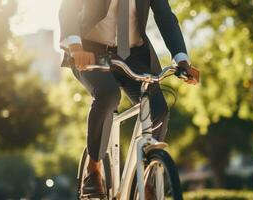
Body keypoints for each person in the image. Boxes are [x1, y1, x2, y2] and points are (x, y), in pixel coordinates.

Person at [59, 0, 200, 198]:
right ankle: (94, 169)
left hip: (134, 53)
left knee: (158, 110)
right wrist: (75, 46)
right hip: (89, 51)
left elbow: (165, 17)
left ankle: (148, 173)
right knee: (108, 95)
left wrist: (182, 59)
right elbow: (69, 9)